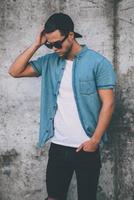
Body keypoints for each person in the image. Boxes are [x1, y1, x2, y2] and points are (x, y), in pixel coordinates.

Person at [8, 12, 116, 200]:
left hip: (86, 147)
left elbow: (109, 103)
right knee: (54, 197)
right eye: (49, 45)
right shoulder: (49, 62)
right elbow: (15, 71)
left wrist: (95, 141)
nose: (54, 48)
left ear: (71, 36)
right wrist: (37, 44)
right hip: (58, 145)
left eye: (58, 43)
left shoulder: (98, 63)